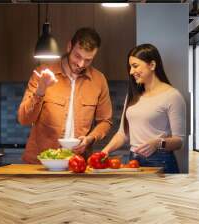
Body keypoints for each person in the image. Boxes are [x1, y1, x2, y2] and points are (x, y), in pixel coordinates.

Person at [18, 27, 112, 164]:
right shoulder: (43, 73)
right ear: (69, 47)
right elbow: (24, 119)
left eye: (88, 60)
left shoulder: (99, 80)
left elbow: (105, 121)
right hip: (41, 163)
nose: (81, 64)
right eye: (77, 56)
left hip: (78, 163)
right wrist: (41, 90)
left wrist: (90, 138)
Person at [101, 44, 186, 173]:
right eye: (130, 67)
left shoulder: (172, 96)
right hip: (133, 160)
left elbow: (179, 141)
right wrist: (104, 152)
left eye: (135, 66)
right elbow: (123, 134)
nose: (131, 72)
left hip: (160, 161)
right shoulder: (133, 95)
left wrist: (157, 143)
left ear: (152, 65)